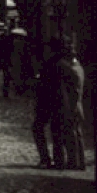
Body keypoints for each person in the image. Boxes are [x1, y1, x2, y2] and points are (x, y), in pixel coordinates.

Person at [33, 37, 72, 169]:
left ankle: (45, 159)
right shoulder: (66, 65)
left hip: (48, 103)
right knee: (57, 132)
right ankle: (59, 161)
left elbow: (42, 85)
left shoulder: (50, 64)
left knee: (38, 128)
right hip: (62, 103)